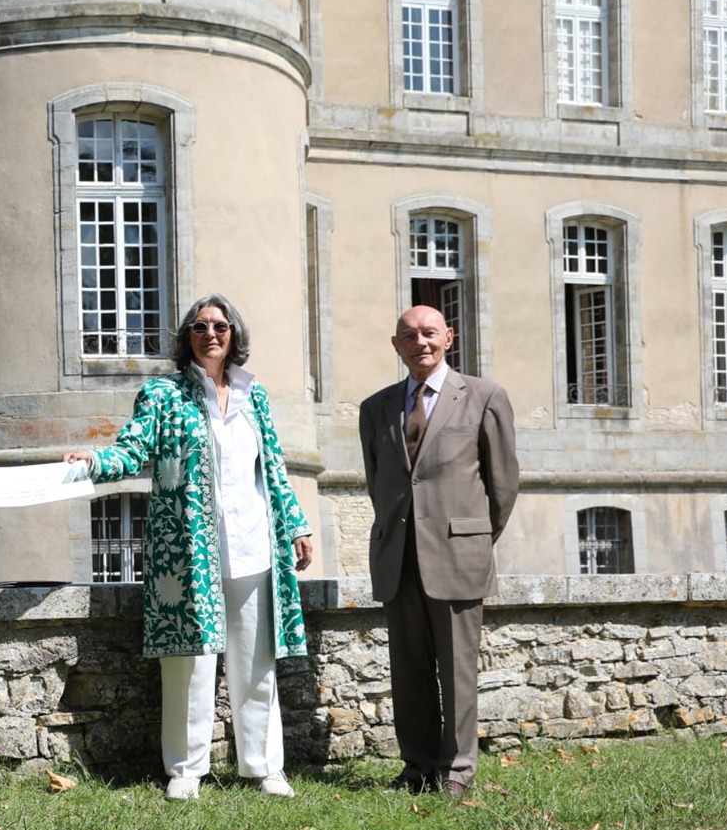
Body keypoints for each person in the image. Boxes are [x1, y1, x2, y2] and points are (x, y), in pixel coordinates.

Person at [66, 294, 313, 801]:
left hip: (252, 547)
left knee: (255, 659)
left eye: (220, 325)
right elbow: (132, 448)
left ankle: (264, 767)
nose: (211, 334)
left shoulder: (254, 395)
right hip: (188, 550)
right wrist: (93, 460)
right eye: (200, 326)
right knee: (188, 660)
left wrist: (296, 526)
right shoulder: (162, 394)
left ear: (233, 334)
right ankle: (186, 769)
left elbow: (274, 470)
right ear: (187, 337)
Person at [359, 305, 519, 797]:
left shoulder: (485, 397)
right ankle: (418, 767)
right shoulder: (376, 407)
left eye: (429, 333)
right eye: (409, 335)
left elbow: (503, 485)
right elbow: (379, 484)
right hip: (398, 558)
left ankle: (457, 771)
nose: (420, 342)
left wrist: (471, 540)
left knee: (457, 672)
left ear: (449, 336)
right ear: (396, 345)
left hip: (457, 556)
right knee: (408, 673)